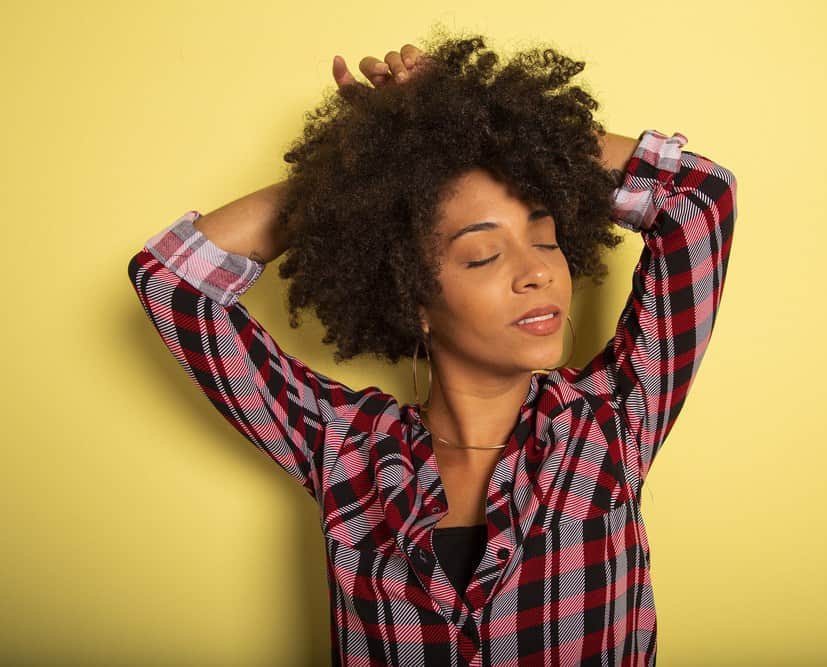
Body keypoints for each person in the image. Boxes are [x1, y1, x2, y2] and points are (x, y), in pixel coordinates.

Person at [126, 28, 737, 667]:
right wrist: (353, 175)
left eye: (547, 240)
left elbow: (700, 200)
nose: (537, 273)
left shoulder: (612, 422)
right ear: (416, 300)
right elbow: (173, 279)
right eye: (483, 254)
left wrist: (497, 128)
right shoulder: (345, 451)